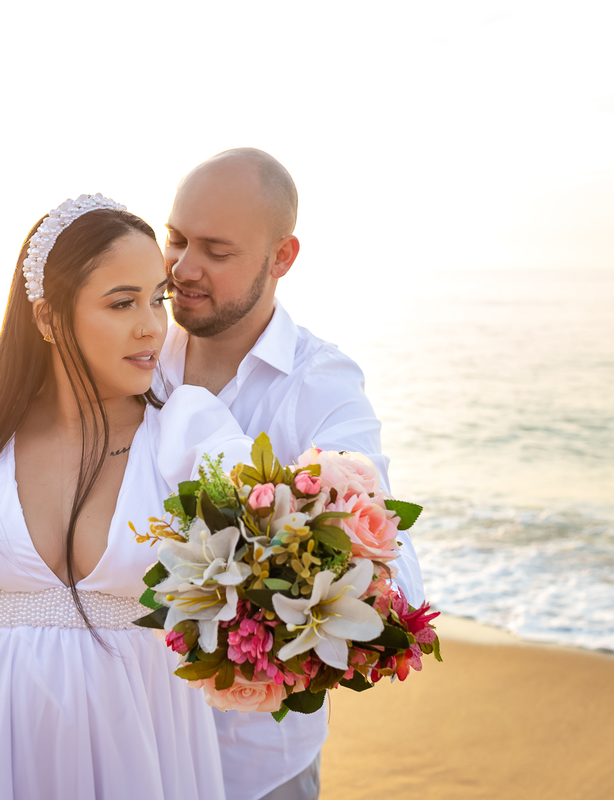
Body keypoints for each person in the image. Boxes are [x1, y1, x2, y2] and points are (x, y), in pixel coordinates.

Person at [0, 194, 254, 798]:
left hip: (143, 751)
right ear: (47, 318)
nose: (152, 326)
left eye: (158, 298)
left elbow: (271, 548)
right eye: (122, 302)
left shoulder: (189, 432)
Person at [156, 148, 425, 800]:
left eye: (216, 251)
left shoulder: (320, 384)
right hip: (120, 739)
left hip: (253, 766)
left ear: (282, 257)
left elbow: (395, 565)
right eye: (176, 239)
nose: (184, 268)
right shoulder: (130, 350)